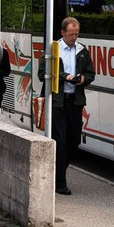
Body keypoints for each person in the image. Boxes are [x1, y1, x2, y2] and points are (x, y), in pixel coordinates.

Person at [38, 17, 95, 195]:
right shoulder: (53, 50)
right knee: (60, 142)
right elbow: (43, 74)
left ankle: (58, 174)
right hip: (58, 102)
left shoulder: (82, 51)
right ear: (63, 33)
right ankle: (60, 182)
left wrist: (84, 79)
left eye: (76, 34)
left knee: (73, 142)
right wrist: (65, 77)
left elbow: (91, 73)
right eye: (71, 34)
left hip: (75, 101)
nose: (74, 38)